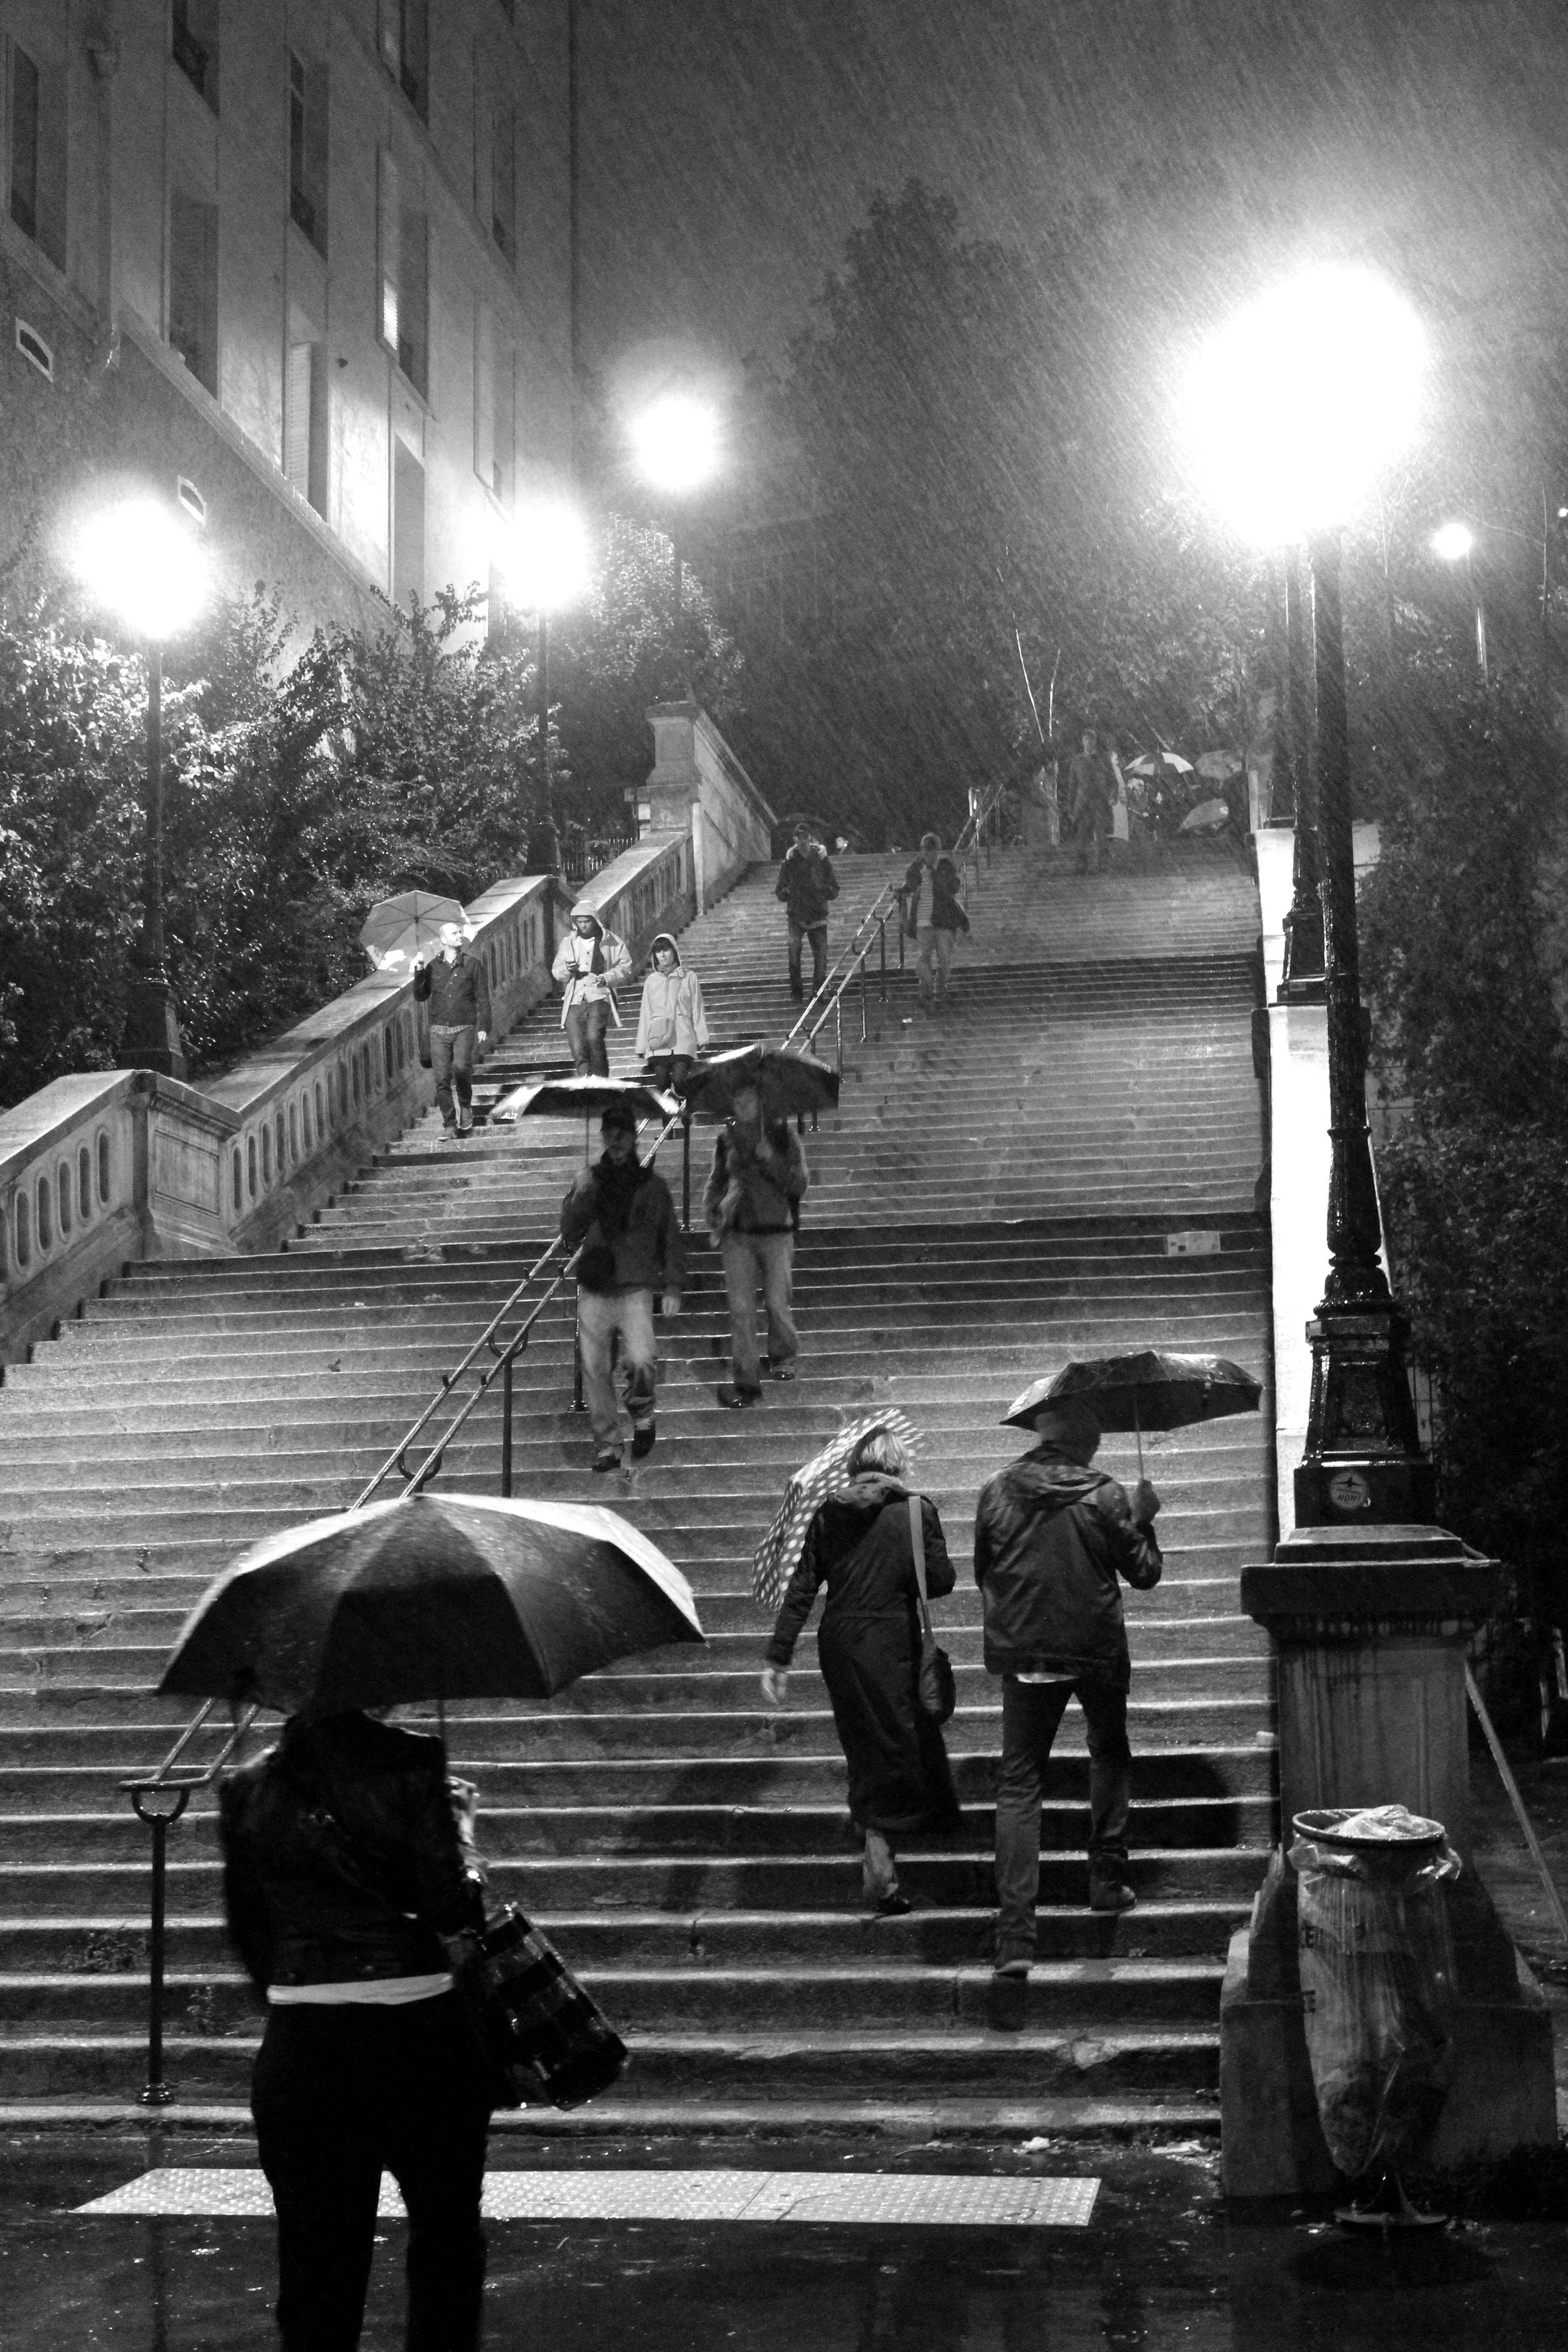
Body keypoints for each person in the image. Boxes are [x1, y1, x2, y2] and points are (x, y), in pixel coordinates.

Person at [218, 1705, 494, 2352]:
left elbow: (247, 1927)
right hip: (420, 2031)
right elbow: (453, 1908)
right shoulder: (413, 1763)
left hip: (304, 2042)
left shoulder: (246, 1786)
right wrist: (463, 1830)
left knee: (316, 2267)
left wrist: (304, 1991)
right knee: (445, 2242)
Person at [973, 1399, 1162, 1974]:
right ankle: (1106, 1879)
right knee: (1108, 1753)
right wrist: (1144, 1516)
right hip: (1094, 1645)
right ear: (1086, 1444)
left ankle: (1015, 1938)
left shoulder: (996, 1491)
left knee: (1019, 1783)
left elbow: (984, 1568)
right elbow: (1145, 1573)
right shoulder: (1104, 1493)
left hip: (1025, 1646)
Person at [761, 1428, 960, 1912]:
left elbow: (803, 1587)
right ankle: (880, 1870)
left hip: (842, 1641)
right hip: (891, 1638)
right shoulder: (916, 1511)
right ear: (897, 1465)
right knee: (893, 1747)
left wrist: (779, 1655)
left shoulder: (830, 1511)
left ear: (855, 1465)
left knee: (866, 1742)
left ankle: (882, 1852)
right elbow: (940, 1582)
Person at [561, 1099, 684, 1470]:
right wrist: (582, 1194)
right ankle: (608, 1442)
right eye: (609, 1132)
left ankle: (642, 1412)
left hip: (634, 1285)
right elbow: (569, 1232)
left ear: (633, 1137)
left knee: (642, 1359)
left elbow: (670, 1237)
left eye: (623, 1132)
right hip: (596, 1284)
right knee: (596, 1368)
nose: (616, 1140)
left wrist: (674, 1286)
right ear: (602, 1136)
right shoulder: (588, 1180)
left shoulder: (653, 1185)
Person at [704, 1081, 808, 1407]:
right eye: (737, 1100)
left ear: (760, 1101)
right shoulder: (726, 1139)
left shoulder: (783, 1135)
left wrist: (772, 1158)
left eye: (747, 1099)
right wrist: (713, 1215)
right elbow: (716, 1182)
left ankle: (783, 1356)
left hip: (776, 1231)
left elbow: (800, 1184)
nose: (741, 1105)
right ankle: (746, 1378)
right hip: (738, 1234)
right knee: (741, 1310)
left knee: (778, 1302)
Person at [413, 922, 490, 1136]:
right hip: (438, 1030)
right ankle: (449, 1124)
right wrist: (418, 971)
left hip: (464, 1026)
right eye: (454, 933)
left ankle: (465, 1105)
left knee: (461, 1068)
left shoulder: (472, 965)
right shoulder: (432, 967)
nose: (460, 936)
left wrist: (484, 1025)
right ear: (444, 940)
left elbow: (483, 997)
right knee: (441, 1080)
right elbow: (421, 996)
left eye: (459, 932)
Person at [552, 903, 633, 1077]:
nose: (583, 925)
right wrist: (568, 969)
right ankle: (585, 1079)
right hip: (575, 997)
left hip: (599, 994)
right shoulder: (568, 943)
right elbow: (557, 971)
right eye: (579, 922)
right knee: (577, 1044)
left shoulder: (611, 941)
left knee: (594, 1037)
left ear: (595, 921)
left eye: (587, 921)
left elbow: (625, 967)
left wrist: (607, 977)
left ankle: (601, 1077)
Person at [899, 832, 971, 1013]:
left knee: (945, 959)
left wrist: (933, 875)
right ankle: (927, 992)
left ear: (938, 850)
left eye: (932, 850)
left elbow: (952, 888)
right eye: (926, 850)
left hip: (944, 920)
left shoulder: (946, 867)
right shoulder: (916, 868)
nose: (929, 854)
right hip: (923, 921)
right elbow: (910, 886)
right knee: (923, 957)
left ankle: (940, 990)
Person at [634, 931, 710, 1094]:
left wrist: (702, 1037)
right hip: (658, 1038)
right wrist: (641, 1045)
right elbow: (645, 1014)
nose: (662, 955)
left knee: (679, 1080)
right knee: (661, 1083)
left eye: (666, 950)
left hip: (683, 1037)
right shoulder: (651, 981)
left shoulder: (689, 977)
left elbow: (697, 1008)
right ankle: (666, 1118)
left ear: (674, 951)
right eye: (658, 951)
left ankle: (688, 1110)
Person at [775, 820, 839, 1004]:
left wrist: (823, 890)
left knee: (821, 956)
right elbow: (780, 891)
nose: (802, 841)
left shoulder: (820, 858)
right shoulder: (790, 862)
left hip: (818, 914)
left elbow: (833, 887)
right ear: (795, 839)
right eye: (799, 837)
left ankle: (817, 994)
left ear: (809, 838)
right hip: (797, 914)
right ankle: (797, 992)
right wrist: (790, 891)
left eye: (805, 837)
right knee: (794, 949)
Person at [1066, 731, 1116, 876]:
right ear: (1082, 741)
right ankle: (1081, 865)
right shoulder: (1077, 761)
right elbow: (1072, 786)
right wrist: (1070, 808)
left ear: (1095, 741)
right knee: (1082, 835)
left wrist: (1112, 796)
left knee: (1101, 834)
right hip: (1083, 803)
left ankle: (1103, 864)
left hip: (1100, 801)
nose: (1089, 742)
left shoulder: (1103, 759)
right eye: (1086, 739)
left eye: (1091, 739)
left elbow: (1113, 781)